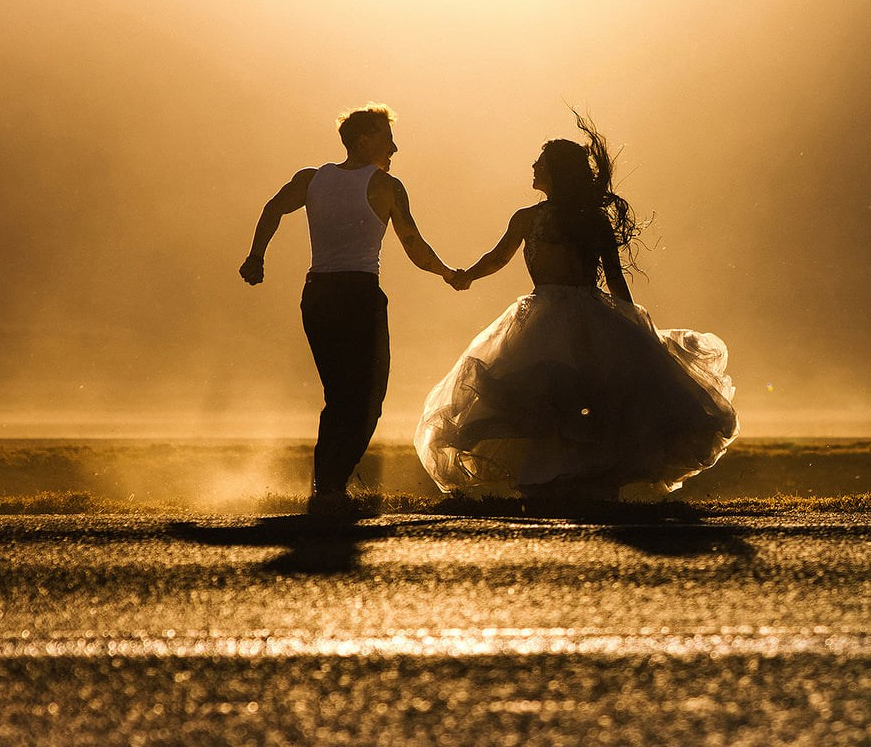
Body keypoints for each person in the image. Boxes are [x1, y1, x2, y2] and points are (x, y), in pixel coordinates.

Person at [415, 115, 737, 501]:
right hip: (588, 314)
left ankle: (560, 479)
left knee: (554, 397)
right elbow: (610, 278)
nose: (533, 168)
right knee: (586, 396)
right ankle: (576, 479)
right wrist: (631, 324)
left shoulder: (534, 218)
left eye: (540, 163)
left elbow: (499, 259)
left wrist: (466, 276)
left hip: (548, 316)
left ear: (554, 172)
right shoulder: (584, 218)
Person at [239, 104, 467, 515]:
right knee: (367, 397)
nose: (394, 147)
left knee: (339, 395)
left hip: (319, 295)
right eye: (386, 137)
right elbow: (413, 245)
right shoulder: (386, 185)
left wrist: (257, 256)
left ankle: (327, 486)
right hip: (359, 294)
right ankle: (330, 485)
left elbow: (272, 208)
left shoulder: (311, 180)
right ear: (363, 140)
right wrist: (449, 273)